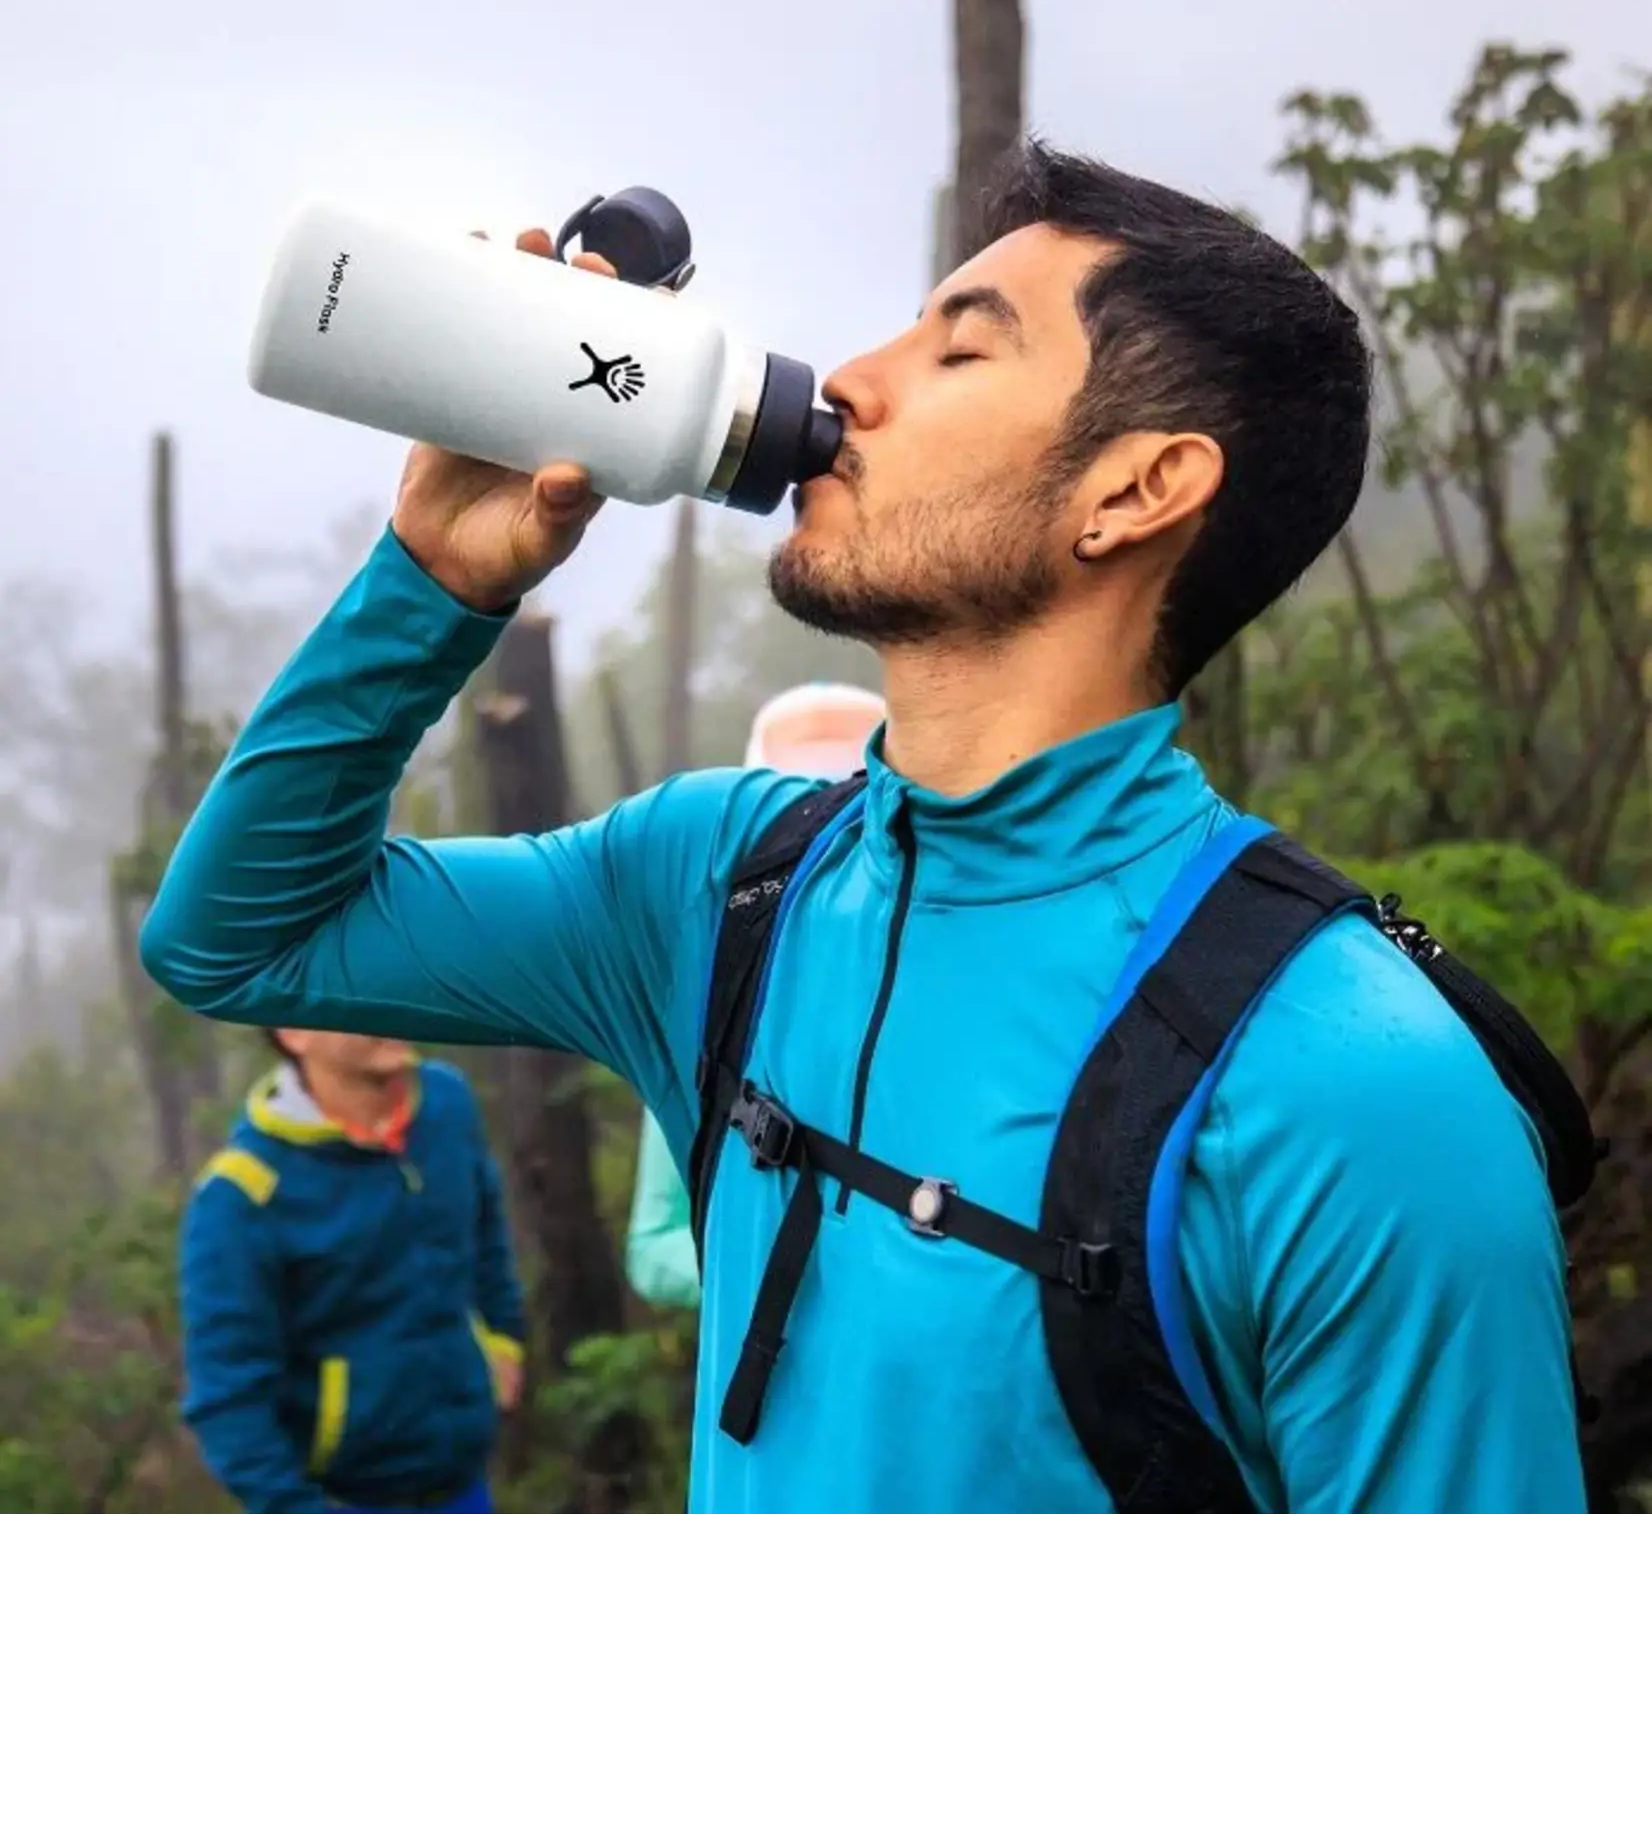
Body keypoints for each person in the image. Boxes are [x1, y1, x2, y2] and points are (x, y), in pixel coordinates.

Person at [143, 144, 1587, 1515]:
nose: (849, 382)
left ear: (1138, 489)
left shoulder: (1359, 1091)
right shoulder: (723, 884)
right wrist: (431, 583)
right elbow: (243, 940)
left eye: (961, 346)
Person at [178, 1025, 526, 1515]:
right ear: (293, 1031)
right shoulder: (242, 1194)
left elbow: (487, 1230)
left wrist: (503, 1336)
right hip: (346, 1497)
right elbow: (227, 1400)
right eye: (355, 994)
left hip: (462, 1483)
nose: (388, 1006)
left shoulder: (446, 1103)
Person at [624, 682, 886, 1311]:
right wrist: (797, 1275)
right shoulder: (716, 1009)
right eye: (802, 810)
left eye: (849, 804)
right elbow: (653, 1246)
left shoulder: (941, 983)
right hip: (764, 1384)